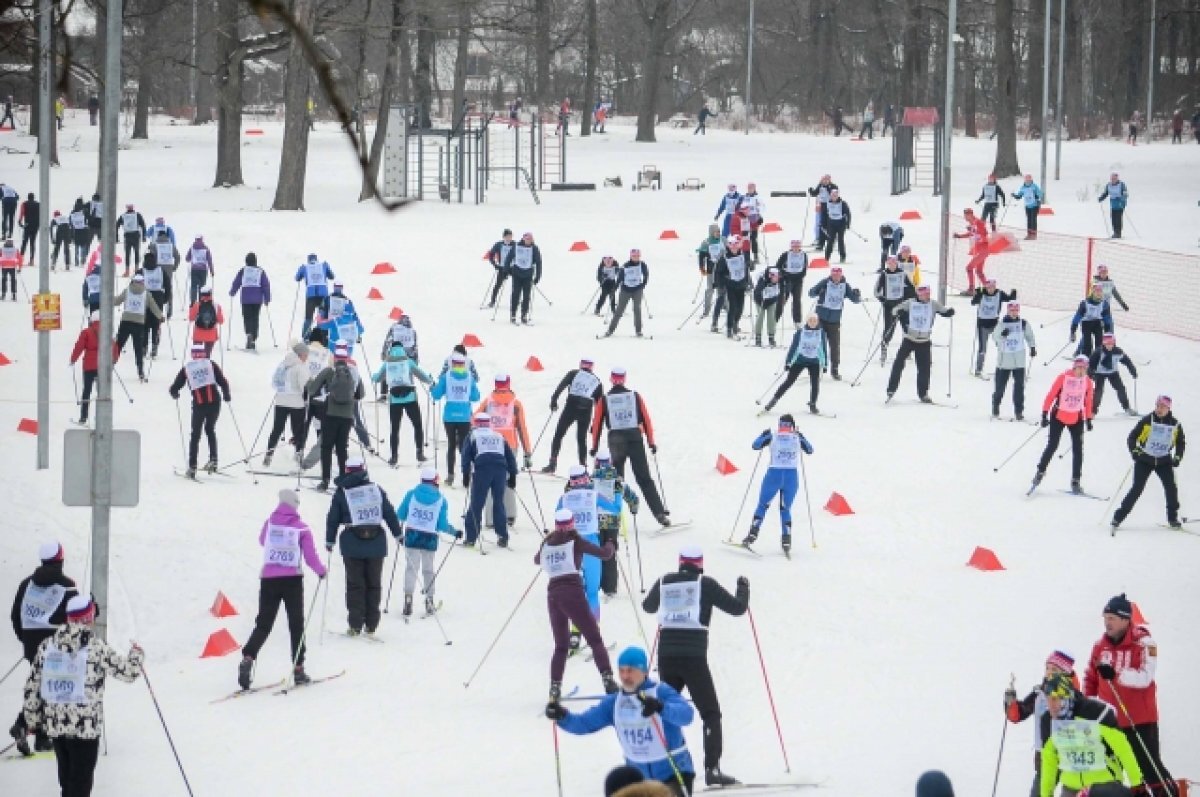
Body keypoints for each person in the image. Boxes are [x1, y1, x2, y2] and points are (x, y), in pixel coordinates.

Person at [640, 547, 747, 787]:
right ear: (700, 565)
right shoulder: (705, 584)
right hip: (694, 659)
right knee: (710, 713)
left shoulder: (665, 581)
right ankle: (712, 769)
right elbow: (738, 609)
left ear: (680, 564)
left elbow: (648, 607)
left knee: (664, 710)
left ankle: (658, 768)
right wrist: (743, 589)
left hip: (667, 656)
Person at [21, 595, 143, 796]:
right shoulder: (95, 647)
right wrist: (137, 654)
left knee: (67, 779)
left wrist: (32, 719)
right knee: (81, 781)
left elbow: (32, 685)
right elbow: (128, 672)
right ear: (88, 618)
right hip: (84, 728)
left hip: (56, 725)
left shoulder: (47, 645)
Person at [548, 646, 695, 796]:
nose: (625, 676)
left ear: (644, 671)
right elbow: (584, 723)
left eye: (630, 670)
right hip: (639, 781)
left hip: (673, 773)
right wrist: (562, 716)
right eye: (622, 670)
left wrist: (660, 707)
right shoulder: (615, 702)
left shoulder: (660, 691)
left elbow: (686, 715)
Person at [1083, 594, 1176, 795]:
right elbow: (1090, 679)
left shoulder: (1144, 643)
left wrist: (1116, 674)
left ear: (1125, 619)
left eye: (1112, 618)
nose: (1107, 623)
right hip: (1109, 723)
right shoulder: (1100, 646)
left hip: (1139, 721)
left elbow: (1146, 677)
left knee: (1150, 771)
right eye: (1105, 618)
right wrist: (1089, 707)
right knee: (1112, 774)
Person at [238, 489, 327, 688]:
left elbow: (262, 541)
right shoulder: (301, 528)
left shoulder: (270, 524)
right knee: (296, 624)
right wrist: (321, 571)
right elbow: (310, 556)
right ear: (294, 505)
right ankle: (298, 669)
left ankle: (248, 657)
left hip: (269, 579)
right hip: (292, 580)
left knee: (264, 623)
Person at [8, 542, 78, 756]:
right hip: (57, 645)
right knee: (52, 688)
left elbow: (15, 615)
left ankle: (38, 732)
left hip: (32, 645)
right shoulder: (67, 586)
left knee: (40, 686)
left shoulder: (26, 584)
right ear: (61, 559)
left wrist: (26, 640)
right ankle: (32, 730)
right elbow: (74, 617)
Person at [325, 456, 402, 636]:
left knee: (355, 584)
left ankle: (355, 624)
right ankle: (372, 624)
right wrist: (398, 534)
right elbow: (389, 513)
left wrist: (330, 540)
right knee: (374, 584)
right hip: (376, 543)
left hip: (352, 543)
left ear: (347, 470)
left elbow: (333, 518)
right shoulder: (376, 490)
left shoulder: (342, 492)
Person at [1038, 672, 1143, 797]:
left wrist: (1136, 782)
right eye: (1048, 699)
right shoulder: (1048, 722)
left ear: (1066, 697)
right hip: (1071, 788)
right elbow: (1049, 760)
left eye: (1055, 698)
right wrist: (1046, 794)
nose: (1051, 705)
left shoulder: (1094, 712)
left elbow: (1122, 747)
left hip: (1103, 785)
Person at [591, 367, 670, 527]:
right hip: (634, 439)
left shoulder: (604, 400)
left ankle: (613, 517)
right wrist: (651, 441)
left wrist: (594, 447)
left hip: (616, 441)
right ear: (624, 379)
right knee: (644, 478)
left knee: (616, 481)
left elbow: (597, 423)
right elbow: (646, 419)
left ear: (611, 379)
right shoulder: (634, 396)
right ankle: (660, 514)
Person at [1004, 650, 1079, 797]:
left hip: (1069, 753)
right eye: (1047, 668)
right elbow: (1018, 714)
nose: (1049, 672)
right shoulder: (1040, 693)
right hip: (1044, 753)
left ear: (1065, 673)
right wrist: (1010, 702)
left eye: (1054, 669)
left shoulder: (1075, 695)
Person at [1112, 395, 1185, 531]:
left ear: (1168, 408)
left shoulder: (1175, 424)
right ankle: (1118, 517)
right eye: (1158, 406)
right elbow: (1132, 437)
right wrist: (1135, 451)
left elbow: (1180, 442)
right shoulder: (1147, 420)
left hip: (1164, 461)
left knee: (1171, 489)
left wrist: (1177, 457)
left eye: (1163, 407)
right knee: (1137, 489)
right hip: (1145, 459)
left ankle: (1172, 518)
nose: (1159, 409)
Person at [742, 417, 813, 552]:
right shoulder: (796, 437)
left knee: (763, 505)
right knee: (785, 509)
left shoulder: (773, 435)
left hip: (773, 475)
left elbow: (755, 445)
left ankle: (752, 534)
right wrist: (802, 437)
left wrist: (763, 435)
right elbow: (810, 450)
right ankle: (786, 540)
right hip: (791, 477)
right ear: (793, 426)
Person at [396, 468, 459, 617]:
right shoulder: (441, 500)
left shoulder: (411, 494)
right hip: (429, 538)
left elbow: (400, 514)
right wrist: (455, 532)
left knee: (411, 568)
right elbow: (442, 525)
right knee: (428, 569)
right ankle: (429, 601)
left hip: (412, 535)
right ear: (435, 481)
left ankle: (408, 598)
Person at [554, 466, 608, 634]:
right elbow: (615, 507)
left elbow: (558, 519)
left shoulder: (564, 498)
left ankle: (576, 633)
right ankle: (594, 630)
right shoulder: (594, 495)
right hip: (590, 544)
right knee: (592, 591)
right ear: (586, 479)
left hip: (571, 547)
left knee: (577, 591)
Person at [1032, 355, 1094, 493]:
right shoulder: (1063, 377)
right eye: (1079, 368)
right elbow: (1051, 394)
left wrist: (1088, 419)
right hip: (1058, 416)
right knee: (1053, 445)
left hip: (1076, 418)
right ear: (1074, 367)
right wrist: (1044, 413)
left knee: (1078, 449)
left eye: (1084, 369)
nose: (1081, 371)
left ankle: (1076, 480)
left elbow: (1088, 401)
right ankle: (1040, 471)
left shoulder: (1088, 382)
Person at [306, 341, 364, 491]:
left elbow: (312, 390)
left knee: (326, 447)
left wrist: (310, 382)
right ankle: (344, 479)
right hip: (347, 416)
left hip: (330, 414)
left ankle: (325, 480)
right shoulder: (354, 372)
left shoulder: (328, 371)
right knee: (341, 448)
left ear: (335, 356)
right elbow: (361, 394)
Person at [170, 343, 231, 477]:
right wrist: (226, 394)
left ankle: (192, 467)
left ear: (192, 355)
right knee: (210, 430)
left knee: (195, 435)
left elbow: (175, 386)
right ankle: (213, 460)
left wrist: (174, 393)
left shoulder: (188, 368)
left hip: (200, 405)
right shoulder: (210, 364)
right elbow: (223, 381)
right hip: (215, 402)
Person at [886, 284, 955, 402]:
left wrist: (949, 312)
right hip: (909, 339)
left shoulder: (933, 304)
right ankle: (891, 389)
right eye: (925, 294)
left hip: (924, 341)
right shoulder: (911, 303)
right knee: (898, 363)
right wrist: (899, 312)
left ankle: (923, 393)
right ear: (919, 294)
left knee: (925, 368)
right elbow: (894, 310)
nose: (928, 296)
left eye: (929, 293)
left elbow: (943, 310)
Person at [461, 412, 519, 547]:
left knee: (477, 503)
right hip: (500, 470)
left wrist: (465, 474)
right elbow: (510, 456)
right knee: (498, 502)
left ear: (475, 423)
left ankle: (471, 538)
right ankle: (502, 536)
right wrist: (513, 475)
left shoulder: (472, 435)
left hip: (483, 470)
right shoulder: (498, 435)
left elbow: (466, 455)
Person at [373, 344, 433, 466]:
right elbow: (422, 375)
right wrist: (430, 380)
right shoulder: (408, 362)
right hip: (410, 397)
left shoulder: (387, 363)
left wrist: (373, 376)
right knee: (417, 425)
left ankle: (394, 456)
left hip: (394, 400)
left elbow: (377, 378)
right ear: (402, 350)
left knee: (395, 429)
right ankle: (419, 453)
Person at [544, 358, 604, 473]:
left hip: (571, 406)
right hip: (586, 410)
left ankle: (552, 463)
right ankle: (583, 467)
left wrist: (554, 400)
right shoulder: (597, 381)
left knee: (559, 434)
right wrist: (594, 423)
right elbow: (599, 406)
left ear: (581, 365)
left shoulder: (573, 373)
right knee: (581, 439)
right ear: (592, 367)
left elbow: (561, 386)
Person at [593, 448, 638, 597]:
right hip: (612, 522)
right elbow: (632, 497)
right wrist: (633, 507)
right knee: (610, 553)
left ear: (597, 463)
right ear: (610, 463)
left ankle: (596, 583)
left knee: (596, 551)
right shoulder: (617, 480)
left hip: (595, 522)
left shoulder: (590, 480)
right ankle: (610, 587)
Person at [430, 351, 479, 486]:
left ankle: (450, 476)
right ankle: (466, 477)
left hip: (450, 416)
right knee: (464, 446)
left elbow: (437, 395)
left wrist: (432, 388)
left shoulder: (446, 377)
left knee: (451, 445)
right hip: (464, 416)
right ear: (464, 364)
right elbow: (476, 397)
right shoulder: (470, 377)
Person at [261, 342, 311, 469]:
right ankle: (298, 453)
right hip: (297, 404)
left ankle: (269, 454)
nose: (307, 358)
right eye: (306, 355)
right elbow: (304, 387)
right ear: (301, 355)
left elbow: (274, 381)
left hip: (281, 402)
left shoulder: (283, 364)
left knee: (277, 429)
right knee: (297, 430)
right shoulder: (300, 367)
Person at [763, 315, 827, 414]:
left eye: (815, 321)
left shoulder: (821, 333)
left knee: (815, 383)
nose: (813, 322)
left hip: (814, 362)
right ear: (807, 321)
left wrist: (825, 363)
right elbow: (793, 348)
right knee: (789, 381)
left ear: (818, 322)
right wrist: (788, 362)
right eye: (810, 320)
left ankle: (813, 404)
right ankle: (773, 401)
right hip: (799, 360)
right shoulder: (800, 333)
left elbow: (823, 349)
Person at [807, 266, 862, 380]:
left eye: (838, 275)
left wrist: (857, 294)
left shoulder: (845, 285)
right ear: (831, 275)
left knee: (834, 346)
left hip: (834, 321)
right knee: (819, 344)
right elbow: (811, 293)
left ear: (841, 275)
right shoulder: (825, 282)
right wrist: (817, 290)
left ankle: (835, 369)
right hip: (820, 319)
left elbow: (855, 300)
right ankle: (816, 367)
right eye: (834, 275)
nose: (836, 277)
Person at [114, 274, 164, 382]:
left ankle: (108, 367)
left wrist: (106, 298)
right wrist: (161, 316)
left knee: (118, 346)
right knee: (138, 349)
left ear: (133, 281)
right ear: (142, 282)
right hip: (139, 324)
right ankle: (140, 371)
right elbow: (154, 307)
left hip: (125, 322)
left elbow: (116, 301)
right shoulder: (147, 294)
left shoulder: (127, 290)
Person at [991, 302, 1037, 420]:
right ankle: (996, 407)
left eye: (1016, 310)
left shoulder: (1023, 323)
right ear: (1008, 311)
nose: (1014, 313)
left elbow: (1029, 336)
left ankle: (1019, 411)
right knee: (1000, 387)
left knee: (1019, 388)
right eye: (1012, 310)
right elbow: (995, 338)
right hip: (1004, 361)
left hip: (1019, 361)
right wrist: (1003, 335)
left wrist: (1032, 347)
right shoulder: (1001, 324)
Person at [69, 312, 116, 425]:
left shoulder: (86, 332)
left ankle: (83, 417)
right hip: (103, 366)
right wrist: (113, 360)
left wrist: (73, 359)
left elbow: (79, 346)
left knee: (87, 391)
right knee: (102, 392)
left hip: (89, 366)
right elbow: (114, 347)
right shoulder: (107, 332)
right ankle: (102, 418)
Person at [875, 256, 917, 364]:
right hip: (889, 306)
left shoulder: (902, 274)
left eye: (894, 263)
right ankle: (883, 351)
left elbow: (912, 289)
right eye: (890, 263)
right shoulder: (884, 274)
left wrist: (910, 300)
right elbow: (876, 291)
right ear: (887, 264)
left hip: (902, 305)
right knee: (889, 329)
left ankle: (909, 351)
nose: (892, 265)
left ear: (897, 264)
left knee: (907, 328)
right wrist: (883, 300)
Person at [971, 279, 1016, 374]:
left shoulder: (999, 293)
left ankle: (1005, 367)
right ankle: (978, 370)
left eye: (992, 287)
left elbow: (1009, 299)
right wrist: (977, 294)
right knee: (982, 348)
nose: (990, 290)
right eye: (988, 288)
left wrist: (1013, 293)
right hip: (982, 324)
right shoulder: (982, 293)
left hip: (994, 324)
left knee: (1002, 344)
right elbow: (973, 302)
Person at [603, 248, 651, 337]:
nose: (636, 257)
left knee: (637, 309)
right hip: (626, 290)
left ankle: (638, 331)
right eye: (634, 256)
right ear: (631, 256)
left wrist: (643, 285)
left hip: (637, 289)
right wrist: (615, 288)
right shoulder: (625, 265)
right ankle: (610, 330)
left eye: (637, 256)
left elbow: (646, 275)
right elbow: (620, 278)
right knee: (619, 310)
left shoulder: (642, 265)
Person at [229, 252, 272, 351]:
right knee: (255, 318)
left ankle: (249, 334)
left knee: (247, 317)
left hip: (246, 299)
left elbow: (237, 282)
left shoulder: (243, 271)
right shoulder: (260, 271)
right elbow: (266, 285)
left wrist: (232, 292)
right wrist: (267, 298)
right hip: (257, 299)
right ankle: (253, 339)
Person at [1088, 334, 1138, 415]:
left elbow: (1127, 361)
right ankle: (1093, 411)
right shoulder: (1098, 352)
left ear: (1114, 343)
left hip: (1113, 373)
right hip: (1099, 373)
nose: (1109, 346)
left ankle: (1127, 408)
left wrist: (1133, 371)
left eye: (1111, 343)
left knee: (1121, 389)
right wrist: (1091, 374)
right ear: (1103, 343)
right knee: (1098, 391)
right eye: (1107, 343)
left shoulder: (1118, 352)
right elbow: (1091, 364)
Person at [712, 234, 750, 338]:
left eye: (735, 244)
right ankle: (729, 328)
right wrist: (720, 284)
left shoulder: (742, 256)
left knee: (740, 308)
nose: (733, 247)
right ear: (728, 246)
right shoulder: (724, 258)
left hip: (741, 285)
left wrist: (748, 283)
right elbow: (718, 272)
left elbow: (746, 270)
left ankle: (735, 324)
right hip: (730, 286)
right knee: (732, 307)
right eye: (731, 245)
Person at [502, 231, 542, 325]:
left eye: (530, 240)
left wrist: (538, 276)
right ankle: (513, 314)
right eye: (527, 239)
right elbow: (508, 258)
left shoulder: (534, 248)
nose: (529, 241)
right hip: (517, 274)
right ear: (523, 239)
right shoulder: (516, 246)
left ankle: (524, 315)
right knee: (515, 294)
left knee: (526, 296)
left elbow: (539, 262)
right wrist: (505, 270)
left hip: (528, 275)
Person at [317, 281, 364, 356]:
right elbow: (361, 329)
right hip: (348, 349)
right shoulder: (348, 303)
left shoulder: (336, 320)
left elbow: (321, 324)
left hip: (333, 345)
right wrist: (357, 334)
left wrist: (320, 318)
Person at [294, 253, 335, 337]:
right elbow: (332, 276)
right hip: (323, 296)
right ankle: (321, 337)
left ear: (308, 260)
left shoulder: (304, 267)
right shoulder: (323, 265)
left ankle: (306, 337)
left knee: (308, 318)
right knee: (322, 317)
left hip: (311, 296)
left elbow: (297, 278)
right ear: (316, 259)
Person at [1070, 284, 1113, 358]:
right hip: (1086, 323)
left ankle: (1096, 359)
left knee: (1099, 343)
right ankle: (1085, 358)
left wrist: (1107, 333)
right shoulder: (1085, 303)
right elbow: (1077, 318)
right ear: (1093, 292)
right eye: (1097, 291)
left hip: (1097, 323)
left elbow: (1107, 319)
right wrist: (1073, 331)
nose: (1099, 293)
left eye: (1100, 291)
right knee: (1088, 344)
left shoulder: (1104, 304)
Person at [953, 207, 990, 294]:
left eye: (966, 215)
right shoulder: (973, 223)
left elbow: (984, 233)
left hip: (983, 250)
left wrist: (975, 231)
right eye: (965, 215)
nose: (965, 217)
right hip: (981, 250)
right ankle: (989, 289)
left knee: (969, 268)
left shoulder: (978, 222)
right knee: (979, 271)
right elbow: (971, 234)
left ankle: (971, 289)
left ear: (971, 215)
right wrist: (960, 236)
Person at [774, 239, 809, 325]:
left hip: (798, 281)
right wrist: (783, 276)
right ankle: (775, 319)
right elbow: (777, 267)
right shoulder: (786, 255)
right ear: (791, 247)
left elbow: (804, 268)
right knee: (782, 299)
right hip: (787, 280)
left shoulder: (803, 255)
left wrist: (800, 276)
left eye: (797, 247)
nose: (796, 249)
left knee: (797, 300)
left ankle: (797, 321)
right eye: (794, 247)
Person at [188, 285, 225, 357]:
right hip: (211, 335)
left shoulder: (197, 305)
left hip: (198, 335)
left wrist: (191, 309)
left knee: (197, 357)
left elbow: (191, 318)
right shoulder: (216, 306)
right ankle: (206, 366)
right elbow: (221, 321)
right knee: (207, 356)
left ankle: (197, 368)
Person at [751, 266, 782, 347]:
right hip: (760, 301)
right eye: (773, 275)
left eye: (776, 275)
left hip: (771, 300)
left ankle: (771, 337)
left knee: (771, 318)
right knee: (760, 317)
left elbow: (784, 287)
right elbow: (757, 292)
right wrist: (761, 302)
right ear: (769, 275)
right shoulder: (763, 280)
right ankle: (758, 337)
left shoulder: (779, 280)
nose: (775, 278)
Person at [485, 228, 514, 308]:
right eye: (507, 236)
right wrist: (495, 264)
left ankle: (516, 302)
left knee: (516, 285)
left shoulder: (515, 244)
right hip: (502, 267)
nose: (509, 238)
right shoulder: (499, 244)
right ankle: (492, 301)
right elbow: (491, 254)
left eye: (510, 236)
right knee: (498, 285)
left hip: (512, 268)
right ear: (503, 237)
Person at [821, 188, 851, 264]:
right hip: (831, 224)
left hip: (841, 224)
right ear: (830, 196)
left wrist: (848, 223)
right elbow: (824, 215)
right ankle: (826, 258)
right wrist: (823, 224)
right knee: (830, 240)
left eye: (835, 195)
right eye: (833, 195)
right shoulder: (827, 203)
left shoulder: (843, 203)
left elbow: (848, 214)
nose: (834, 197)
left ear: (838, 195)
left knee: (840, 240)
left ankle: (842, 257)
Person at [807, 175, 837, 250]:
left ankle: (832, 241)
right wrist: (811, 191)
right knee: (822, 225)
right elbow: (815, 193)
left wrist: (828, 188)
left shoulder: (833, 186)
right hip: (823, 206)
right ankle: (821, 244)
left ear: (829, 180)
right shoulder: (820, 185)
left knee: (830, 225)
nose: (825, 181)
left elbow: (834, 195)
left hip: (831, 207)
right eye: (823, 180)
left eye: (827, 180)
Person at [1098, 173, 1129, 239]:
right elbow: (1106, 193)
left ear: (1117, 179)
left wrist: (1122, 199)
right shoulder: (1108, 185)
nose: (1113, 180)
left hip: (1120, 204)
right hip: (1113, 204)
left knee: (1118, 218)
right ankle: (1115, 232)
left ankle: (1118, 233)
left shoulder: (1122, 185)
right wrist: (1101, 198)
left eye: (1114, 179)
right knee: (1113, 218)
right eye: (1112, 179)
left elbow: (1125, 194)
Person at [1012, 175, 1044, 240]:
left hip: (1035, 205)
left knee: (1033, 220)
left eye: (1029, 180)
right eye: (1026, 180)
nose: (1028, 181)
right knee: (1029, 220)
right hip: (1027, 206)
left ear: (1031, 180)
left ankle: (1034, 234)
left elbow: (1040, 193)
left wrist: (1037, 196)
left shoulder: (1034, 186)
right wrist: (1015, 196)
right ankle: (1029, 234)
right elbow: (1019, 196)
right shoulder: (1023, 187)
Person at [740, 182, 765, 263]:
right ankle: (745, 256)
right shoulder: (745, 197)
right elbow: (741, 206)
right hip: (745, 219)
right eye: (749, 188)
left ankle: (755, 256)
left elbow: (762, 207)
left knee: (753, 238)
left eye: (751, 188)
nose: (750, 189)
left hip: (754, 218)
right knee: (745, 238)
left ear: (754, 189)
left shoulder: (757, 197)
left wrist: (760, 216)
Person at [118, 204, 146, 277]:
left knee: (127, 254)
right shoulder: (137, 215)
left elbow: (116, 225)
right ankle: (136, 270)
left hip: (127, 237)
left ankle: (127, 271)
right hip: (136, 236)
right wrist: (144, 236)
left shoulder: (123, 216)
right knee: (136, 253)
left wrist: (116, 237)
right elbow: (143, 225)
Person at [18, 192, 39, 264]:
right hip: (36, 225)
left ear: (28, 197)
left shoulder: (24, 204)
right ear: (34, 197)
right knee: (32, 242)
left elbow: (22, 213)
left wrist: (20, 222)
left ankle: (21, 259)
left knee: (24, 242)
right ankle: (32, 260)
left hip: (27, 225)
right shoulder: (38, 204)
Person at [69, 198, 90, 264]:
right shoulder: (84, 210)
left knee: (77, 245)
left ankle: (76, 260)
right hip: (84, 229)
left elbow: (70, 220)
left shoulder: (73, 211)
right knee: (83, 244)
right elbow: (88, 218)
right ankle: (83, 260)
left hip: (76, 230)